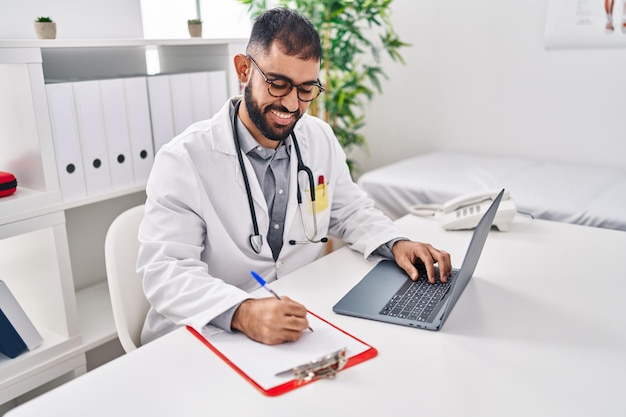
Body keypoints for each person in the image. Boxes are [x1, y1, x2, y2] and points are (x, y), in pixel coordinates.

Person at [137, 7, 451, 346]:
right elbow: (165, 272)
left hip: (293, 318)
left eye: (306, 89)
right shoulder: (184, 159)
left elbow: (350, 211)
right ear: (244, 70)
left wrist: (397, 243)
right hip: (204, 332)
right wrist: (242, 312)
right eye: (278, 84)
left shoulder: (318, 138)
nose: (291, 104)